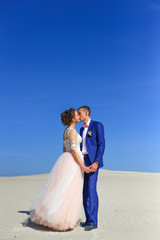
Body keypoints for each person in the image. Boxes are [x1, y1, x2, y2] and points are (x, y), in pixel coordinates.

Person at [29, 108, 91, 231]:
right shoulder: (72, 131)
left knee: (61, 188)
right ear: (73, 119)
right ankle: (63, 219)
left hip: (65, 159)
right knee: (70, 190)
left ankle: (54, 214)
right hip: (73, 161)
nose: (79, 116)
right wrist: (82, 166)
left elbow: (64, 149)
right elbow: (73, 150)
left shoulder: (65, 131)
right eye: (76, 115)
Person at [78, 106, 105, 231]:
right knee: (84, 192)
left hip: (93, 161)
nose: (79, 116)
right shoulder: (80, 129)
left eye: (80, 113)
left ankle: (94, 221)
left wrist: (96, 162)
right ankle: (88, 219)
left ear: (86, 113)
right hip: (83, 161)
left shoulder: (97, 125)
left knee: (91, 189)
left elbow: (101, 145)